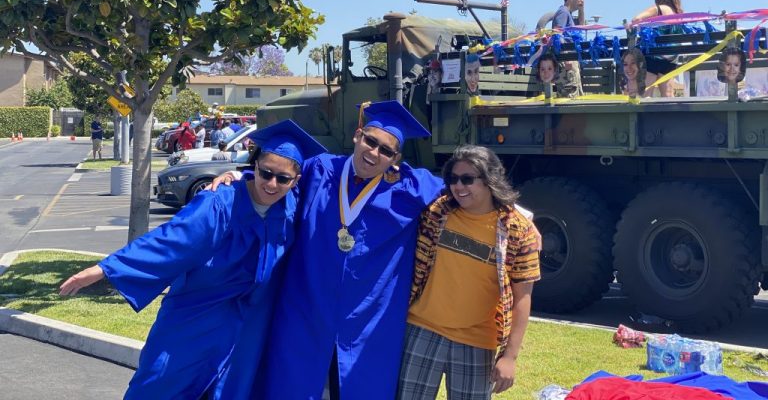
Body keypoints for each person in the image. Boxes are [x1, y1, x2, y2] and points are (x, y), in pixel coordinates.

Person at [210, 101, 541, 399]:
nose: (374, 153)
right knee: (295, 385)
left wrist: (524, 216)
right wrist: (241, 175)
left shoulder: (410, 187)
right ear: (358, 135)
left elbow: (470, 189)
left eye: (386, 150)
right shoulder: (322, 170)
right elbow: (281, 176)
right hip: (306, 312)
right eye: (370, 141)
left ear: (396, 159)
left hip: (367, 323)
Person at [59, 120, 327, 400]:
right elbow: (172, 239)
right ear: (254, 166)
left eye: (283, 178)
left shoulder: (290, 207)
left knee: (232, 391)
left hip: (248, 325)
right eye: (266, 173)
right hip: (197, 315)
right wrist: (105, 269)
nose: (272, 184)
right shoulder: (219, 203)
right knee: (161, 384)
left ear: (295, 181)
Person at [397, 145, 540, 400]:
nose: (458, 187)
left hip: (477, 341)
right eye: (453, 179)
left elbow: (523, 298)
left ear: (490, 179)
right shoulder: (436, 212)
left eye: (467, 179)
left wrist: (510, 356)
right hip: (422, 329)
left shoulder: (518, 231)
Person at [629, 0, 684, 97]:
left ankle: (644, 115)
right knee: (668, 96)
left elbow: (636, 19)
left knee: (645, 95)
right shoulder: (679, 16)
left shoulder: (658, 9)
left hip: (653, 58)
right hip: (670, 60)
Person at [551, 0, 585, 96]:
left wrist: (581, 9)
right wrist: (566, 58)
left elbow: (581, 27)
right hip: (566, 61)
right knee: (569, 92)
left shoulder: (568, 14)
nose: (582, 0)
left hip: (571, 58)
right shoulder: (563, 12)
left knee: (575, 91)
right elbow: (557, 34)